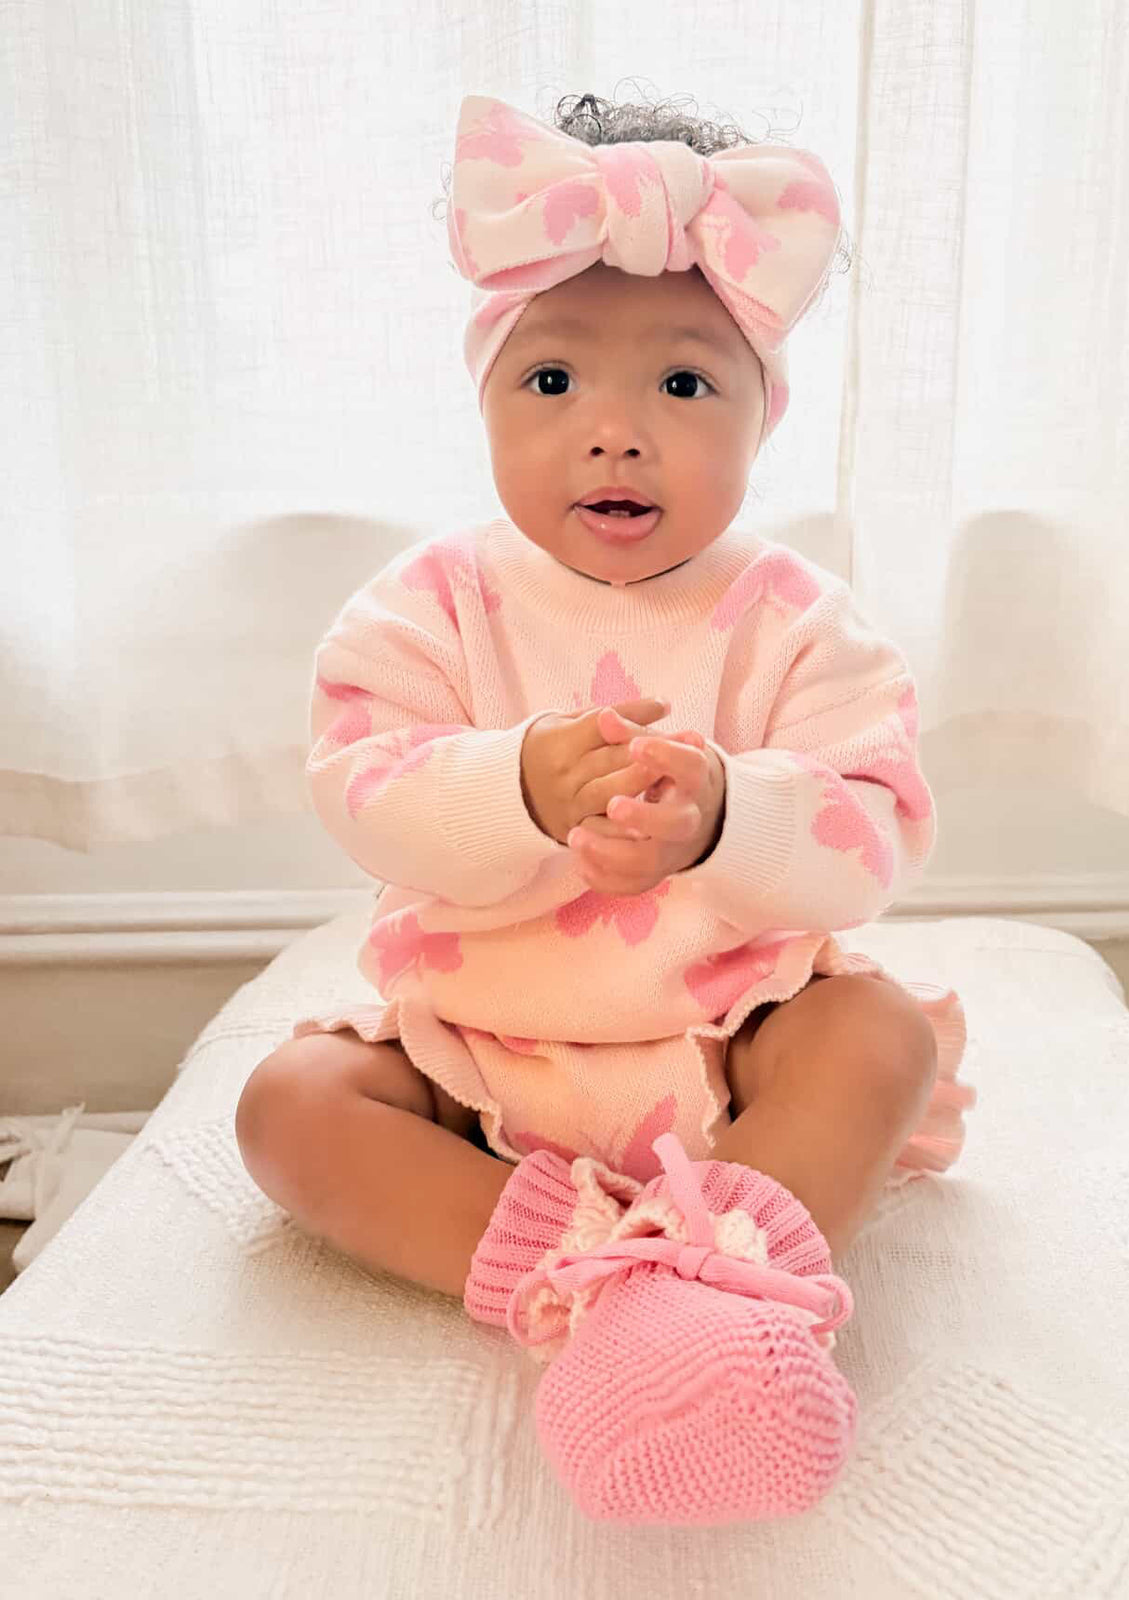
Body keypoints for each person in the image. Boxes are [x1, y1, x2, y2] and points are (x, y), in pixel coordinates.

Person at [235, 89, 976, 1527]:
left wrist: (723, 821)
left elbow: (869, 837)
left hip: (727, 1046)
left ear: (768, 416)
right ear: (489, 398)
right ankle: (614, 1277)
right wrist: (514, 783)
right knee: (290, 1110)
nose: (616, 435)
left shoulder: (797, 623)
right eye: (555, 383)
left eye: (686, 388)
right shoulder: (430, 606)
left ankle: (714, 1271)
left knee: (871, 1031)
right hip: (482, 1056)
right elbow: (363, 790)